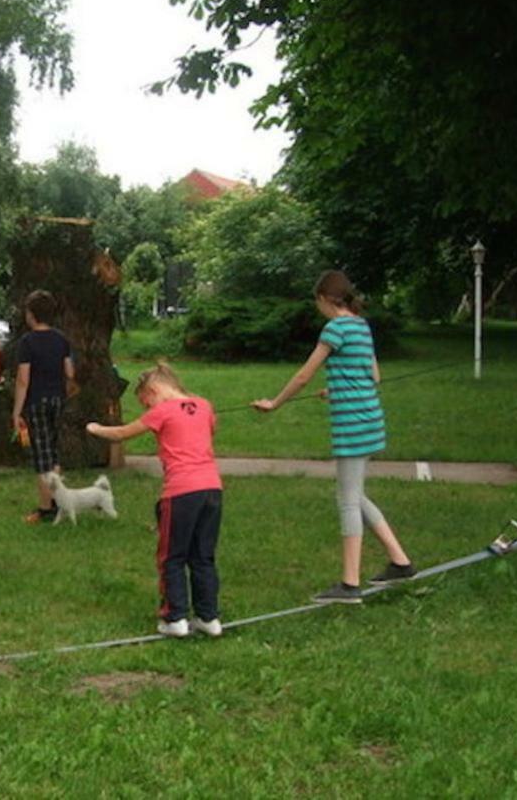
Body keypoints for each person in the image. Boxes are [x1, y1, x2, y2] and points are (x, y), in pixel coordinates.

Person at [251, 270, 416, 604]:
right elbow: (374, 375)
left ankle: (350, 585)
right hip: (371, 419)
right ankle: (400, 562)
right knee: (355, 494)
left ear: (326, 299)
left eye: (318, 304)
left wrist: (274, 404)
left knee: (347, 501)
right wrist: (337, 386)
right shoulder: (360, 324)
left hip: (352, 425)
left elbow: (303, 376)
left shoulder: (336, 328)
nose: (319, 310)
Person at [87, 362, 224, 638]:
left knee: (171, 557)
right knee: (203, 556)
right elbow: (211, 430)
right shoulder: (205, 405)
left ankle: (174, 618)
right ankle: (208, 618)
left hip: (181, 492)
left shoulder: (161, 411)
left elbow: (122, 433)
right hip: (212, 489)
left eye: (146, 402)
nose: (147, 409)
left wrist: (95, 428)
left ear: (154, 390)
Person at [11, 289, 76, 524]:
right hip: (58, 399)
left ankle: (45, 507)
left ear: (31, 315)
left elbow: (23, 380)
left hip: (36, 402)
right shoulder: (61, 339)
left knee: (41, 455)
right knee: (54, 453)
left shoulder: (27, 343)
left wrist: (17, 411)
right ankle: (58, 501)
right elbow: (70, 371)